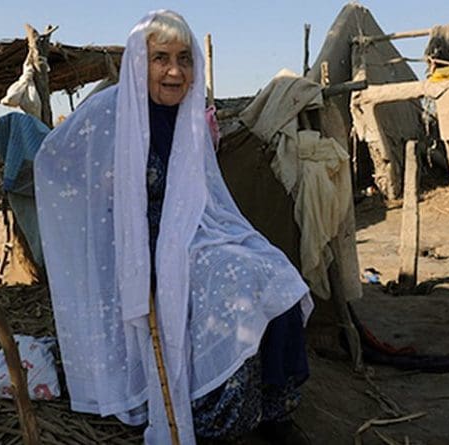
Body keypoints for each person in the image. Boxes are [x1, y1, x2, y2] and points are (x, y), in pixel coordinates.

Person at [34, 10, 312, 444]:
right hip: (141, 248)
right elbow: (52, 159)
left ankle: (274, 405)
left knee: (276, 270)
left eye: (184, 58)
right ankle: (221, 415)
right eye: (161, 57)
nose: (174, 70)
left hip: (192, 235)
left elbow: (203, 193)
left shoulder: (187, 116)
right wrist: (103, 218)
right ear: (138, 63)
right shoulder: (108, 112)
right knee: (238, 284)